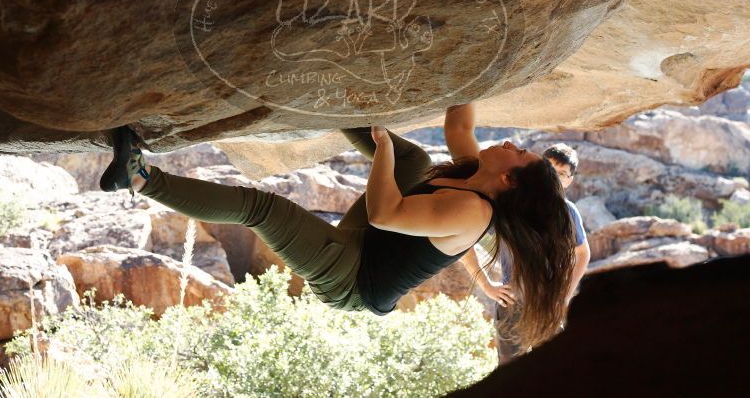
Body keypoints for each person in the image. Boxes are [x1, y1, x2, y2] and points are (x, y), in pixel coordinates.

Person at [99, 121, 576, 348]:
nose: (514, 143)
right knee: (416, 164)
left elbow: (387, 212)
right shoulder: (474, 172)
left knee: (261, 208)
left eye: (520, 154)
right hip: (367, 244)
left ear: (509, 180)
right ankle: (329, 105)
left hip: (352, 280)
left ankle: (138, 178)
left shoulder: (473, 210)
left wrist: (384, 144)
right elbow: (460, 121)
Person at [449, 105, 590, 363]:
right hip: (512, 302)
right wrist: (486, 285)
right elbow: (462, 240)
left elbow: (582, 252)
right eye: (549, 170)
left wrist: (566, 294)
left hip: (549, 302)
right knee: (510, 373)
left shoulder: (567, 212)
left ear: (570, 180)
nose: (555, 179)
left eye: (562, 175)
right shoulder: (510, 206)